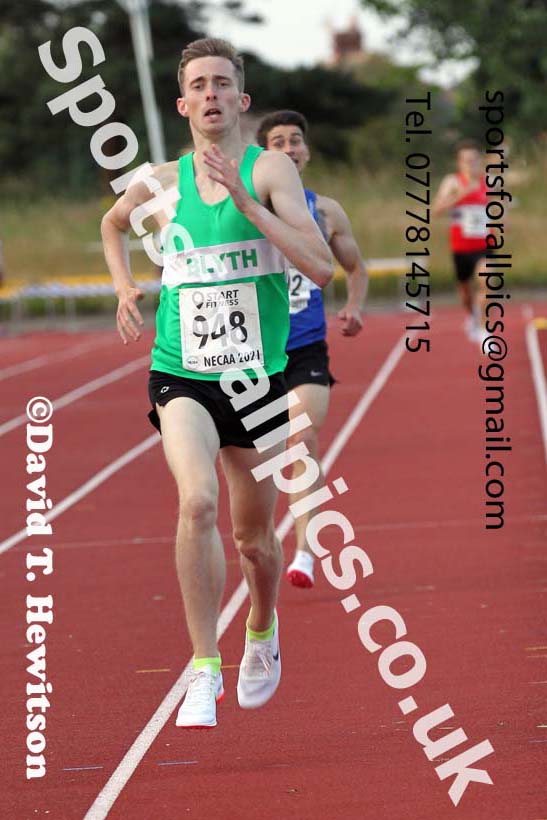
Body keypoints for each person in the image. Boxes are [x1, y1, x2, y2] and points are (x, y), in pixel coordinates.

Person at [101, 39, 332, 729]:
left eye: (221, 83)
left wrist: (247, 204)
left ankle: (261, 628)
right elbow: (111, 225)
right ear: (182, 103)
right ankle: (204, 666)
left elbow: (319, 266)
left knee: (254, 541)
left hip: (255, 379)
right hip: (181, 373)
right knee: (195, 502)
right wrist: (124, 288)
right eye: (197, 84)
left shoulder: (270, 174)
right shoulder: (158, 182)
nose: (209, 93)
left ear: (241, 99)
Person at [256, 110, 368, 590]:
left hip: (305, 349)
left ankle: (304, 551)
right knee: (257, 458)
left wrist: (355, 306)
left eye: (295, 140)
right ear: (263, 154)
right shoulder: (244, 210)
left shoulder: (326, 211)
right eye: (277, 141)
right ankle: (263, 544)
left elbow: (356, 267)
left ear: (306, 150)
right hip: (252, 354)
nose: (288, 147)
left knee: (300, 441)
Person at [432, 139, 488, 344]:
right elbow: (436, 210)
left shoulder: (488, 182)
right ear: (459, 162)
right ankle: (472, 314)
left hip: (483, 245)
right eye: (466, 161)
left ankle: (483, 329)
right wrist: (461, 195)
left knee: (486, 280)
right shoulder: (453, 182)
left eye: (473, 160)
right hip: (461, 247)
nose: (470, 164)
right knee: (465, 292)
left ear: (479, 160)